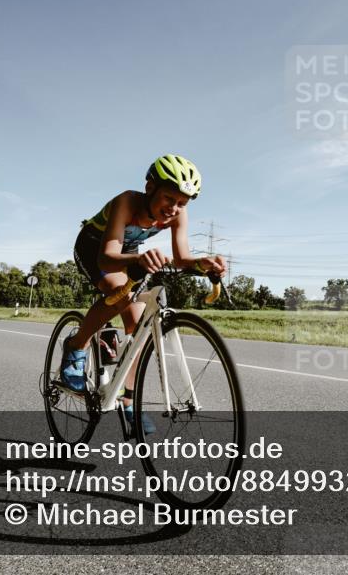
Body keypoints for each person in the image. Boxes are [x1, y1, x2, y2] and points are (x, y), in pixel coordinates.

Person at [62, 154, 227, 432]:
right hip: (95, 248)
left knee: (139, 327)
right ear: (150, 188)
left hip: (127, 253)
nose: (174, 208)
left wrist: (203, 263)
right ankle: (76, 346)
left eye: (182, 203)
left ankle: (127, 399)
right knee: (119, 292)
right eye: (168, 198)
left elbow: (182, 258)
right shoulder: (127, 202)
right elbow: (106, 257)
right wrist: (138, 260)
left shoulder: (178, 213)